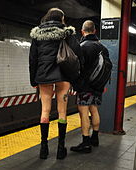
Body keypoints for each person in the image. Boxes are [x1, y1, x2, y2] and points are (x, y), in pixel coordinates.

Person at [29, 8, 82, 160]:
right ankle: (60, 148)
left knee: (45, 111)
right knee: (62, 112)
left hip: (43, 76)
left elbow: (33, 59)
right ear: (61, 19)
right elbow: (77, 53)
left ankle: (43, 148)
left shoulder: (37, 35)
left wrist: (33, 80)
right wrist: (76, 76)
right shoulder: (67, 33)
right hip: (63, 75)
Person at [70, 20, 109, 153]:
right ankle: (95, 138)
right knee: (94, 110)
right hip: (98, 86)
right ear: (95, 31)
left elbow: (77, 68)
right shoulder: (103, 48)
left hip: (85, 87)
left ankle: (86, 143)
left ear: (82, 31)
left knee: (84, 113)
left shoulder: (82, 46)